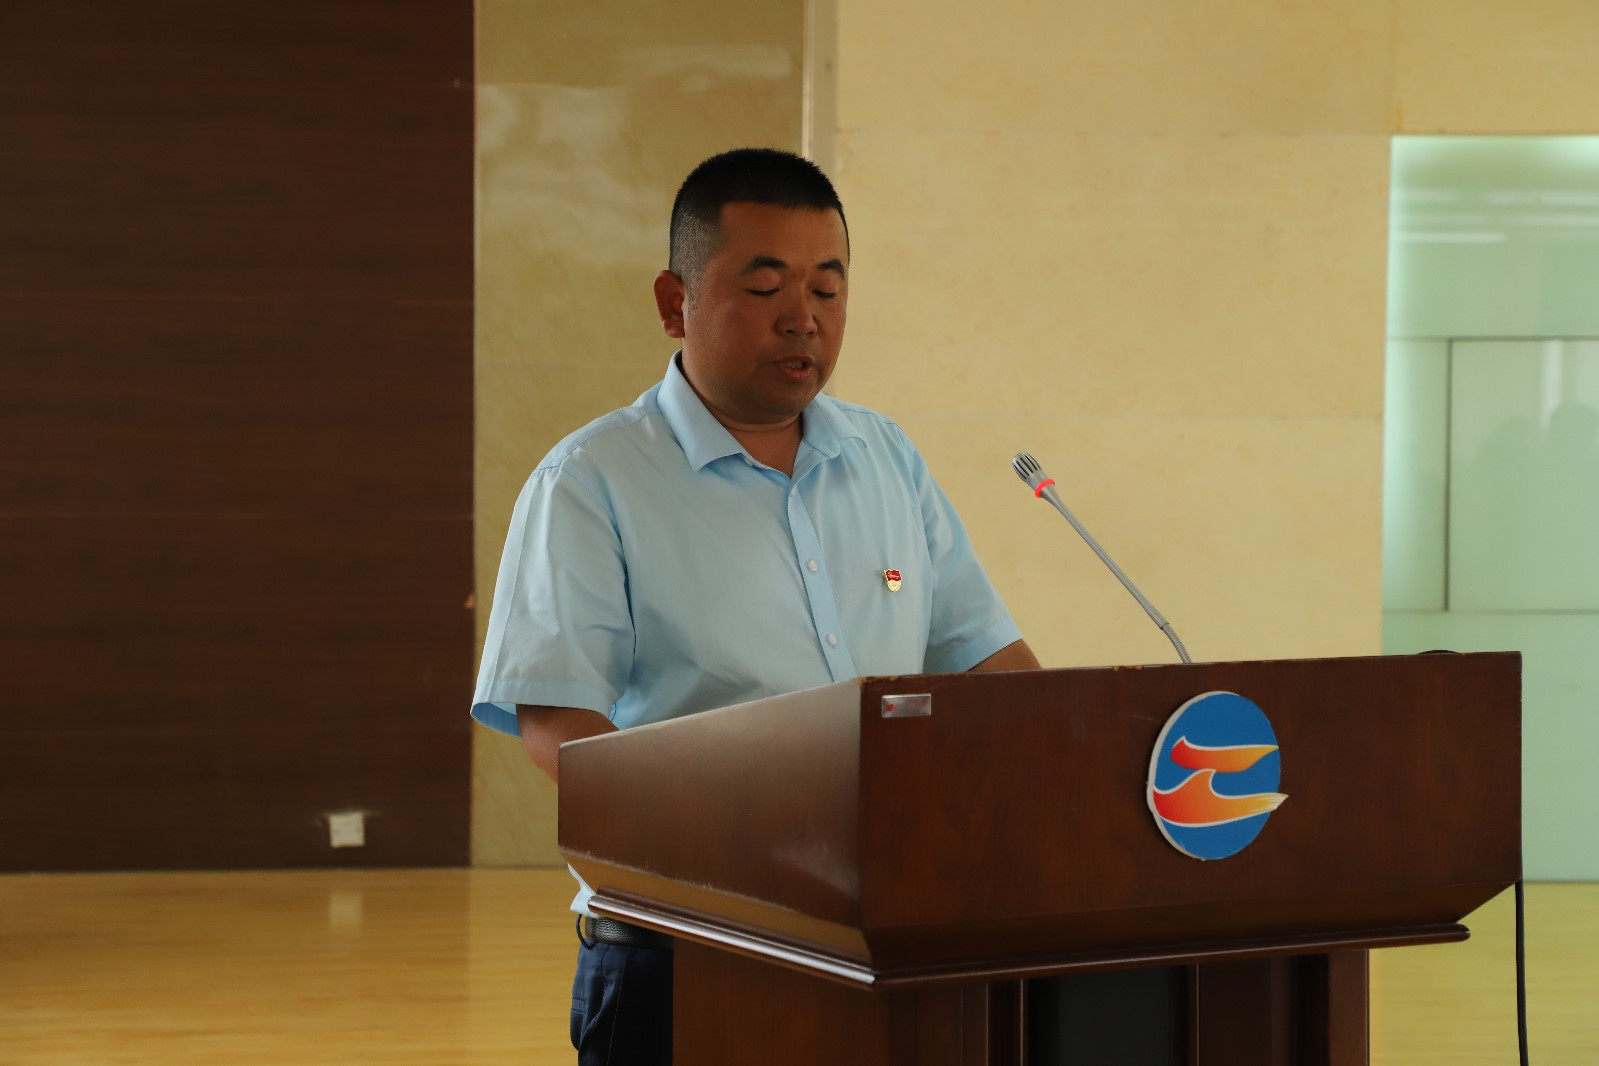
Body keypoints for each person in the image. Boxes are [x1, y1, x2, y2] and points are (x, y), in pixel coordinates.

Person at [470, 147, 1039, 1066]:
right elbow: (557, 725)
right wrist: (731, 848)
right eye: (766, 287)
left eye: (827, 289)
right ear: (674, 303)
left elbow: (988, 664)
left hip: (890, 937)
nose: (802, 318)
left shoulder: (885, 460)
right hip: (689, 947)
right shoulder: (591, 481)